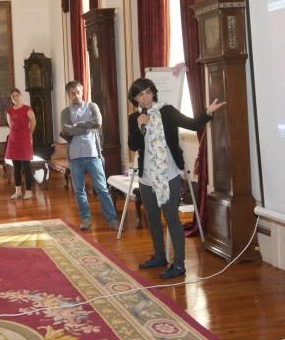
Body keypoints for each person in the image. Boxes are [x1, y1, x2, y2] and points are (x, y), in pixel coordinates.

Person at [127, 77, 226, 280]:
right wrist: (139, 126)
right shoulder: (134, 118)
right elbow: (133, 145)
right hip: (147, 176)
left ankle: (179, 264)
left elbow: (192, 124)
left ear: (153, 92)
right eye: (139, 94)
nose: (144, 98)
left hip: (169, 174)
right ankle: (160, 256)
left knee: (171, 217)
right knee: (152, 217)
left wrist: (207, 113)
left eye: (147, 92)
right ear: (134, 98)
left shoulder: (167, 111)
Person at [60, 80, 119, 231]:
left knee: (102, 188)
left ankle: (112, 219)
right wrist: (86, 126)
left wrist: (77, 126)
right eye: (72, 93)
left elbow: (98, 123)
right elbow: (67, 129)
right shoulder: (65, 113)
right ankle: (85, 218)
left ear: (82, 92)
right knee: (79, 190)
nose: (76, 95)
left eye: (78, 92)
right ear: (68, 95)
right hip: (74, 156)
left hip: (93, 154)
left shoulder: (92, 106)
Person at [5, 88, 36, 200]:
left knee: (26, 167)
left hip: (24, 140)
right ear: (11, 99)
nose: (15, 97)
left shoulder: (27, 109)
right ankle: (18, 191)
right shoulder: (9, 111)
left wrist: (30, 134)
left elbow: (33, 123)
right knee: (16, 167)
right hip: (13, 141)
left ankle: (28, 191)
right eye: (13, 96)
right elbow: (10, 125)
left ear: (20, 96)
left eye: (17, 95)